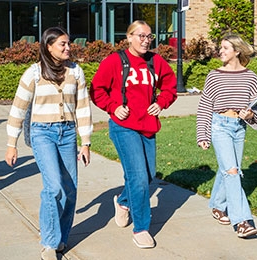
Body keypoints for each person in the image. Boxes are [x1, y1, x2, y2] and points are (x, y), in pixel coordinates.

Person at [5, 27, 93, 260]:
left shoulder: (76, 72)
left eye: (68, 43)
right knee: (53, 187)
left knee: (70, 189)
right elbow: (18, 108)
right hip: (42, 133)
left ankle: (61, 238)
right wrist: (11, 143)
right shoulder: (33, 73)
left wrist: (85, 142)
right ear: (48, 46)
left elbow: (83, 107)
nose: (68, 47)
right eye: (62, 44)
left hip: (67, 134)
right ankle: (49, 242)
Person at [90, 20, 177, 249]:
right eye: (141, 36)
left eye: (149, 37)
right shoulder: (114, 61)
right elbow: (96, 90)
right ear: (128, 37)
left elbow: (170, 86)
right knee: (138, 177)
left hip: (147, 124)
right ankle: (141, 229)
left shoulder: (156, 61)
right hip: (123, 126)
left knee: (148, 176)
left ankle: (123, 202)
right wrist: (113, 106)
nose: (146, 40)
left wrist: (161, 102)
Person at [196, 34, 257, 238]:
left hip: (239, 127)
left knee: (229, 169)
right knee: (232, 172)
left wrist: (250, 114)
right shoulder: (214, 75)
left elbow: (256, 103)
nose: (221, 51)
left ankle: (217, 205)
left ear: (237, 51)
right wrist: (203, 134)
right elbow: (205, 106)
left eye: (225, 48)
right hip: (219, 126)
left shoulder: (250, 76)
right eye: (221, 48)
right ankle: (242, 221)